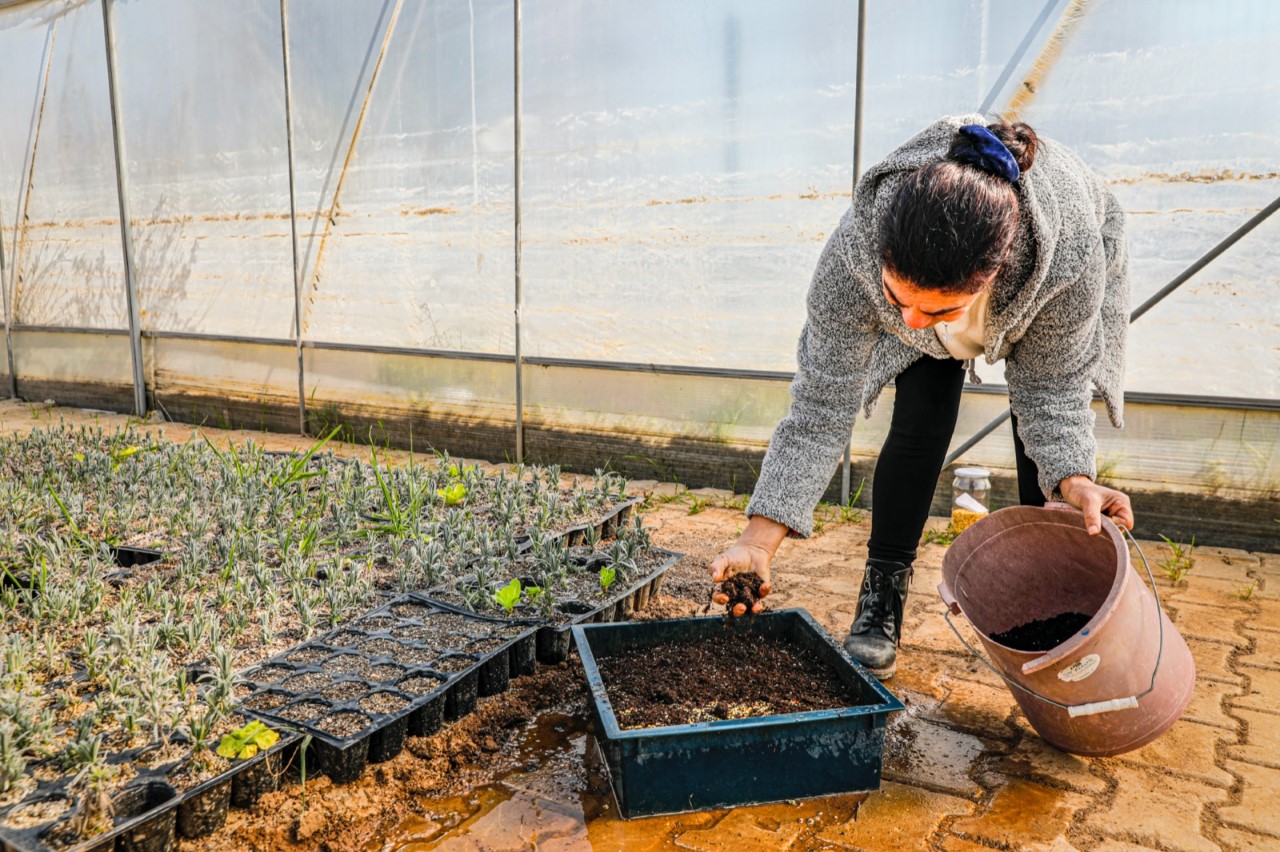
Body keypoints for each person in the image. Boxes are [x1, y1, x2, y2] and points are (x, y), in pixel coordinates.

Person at [709, 115, 1134, 680]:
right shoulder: (854, 254)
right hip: (932, 271)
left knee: (1048, 475)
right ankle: (882, 594)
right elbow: (820, 407)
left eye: (935, 310)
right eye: (896, 299)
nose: (909, 321)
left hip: (1060, 265)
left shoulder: (1067, 254)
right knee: (919, 418)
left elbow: (1053, 391)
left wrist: (1077, 477)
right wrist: (758, 541)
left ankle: (1055, 619)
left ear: (993, 277)